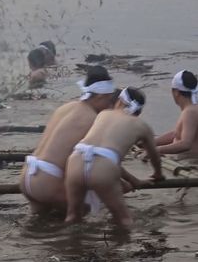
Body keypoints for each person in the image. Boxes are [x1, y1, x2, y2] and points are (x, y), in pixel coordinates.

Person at [64, 87, 164, 229]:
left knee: (73, 216)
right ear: (139, 112)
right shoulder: (142, 126)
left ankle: (68, 248)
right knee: (124, 220)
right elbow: (155, 157)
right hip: (103, 166)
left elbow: (101, 153)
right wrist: (158, 174)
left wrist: (133, 181)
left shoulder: (103, 114)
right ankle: (121, 247)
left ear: (119, 101)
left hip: (76, 158)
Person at [20, 65, 115, 214]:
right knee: (84, 212)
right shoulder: (92, 118)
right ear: (100, 97)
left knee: (39, 225)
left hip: (27, 175)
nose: (109, 106)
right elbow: (92, 163)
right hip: (47, 180)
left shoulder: (66, 107)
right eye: (108, 101)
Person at [155, 70, 198, 160]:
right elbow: (176, 134)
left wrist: (156, 150)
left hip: (189, 161)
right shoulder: (191, 109)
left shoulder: (190, 112)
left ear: (176, 92)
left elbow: (186, 144)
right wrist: (150, 143)